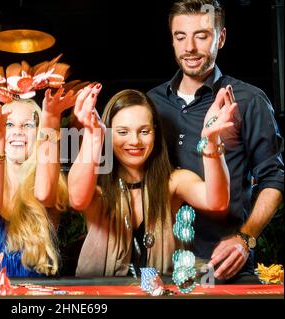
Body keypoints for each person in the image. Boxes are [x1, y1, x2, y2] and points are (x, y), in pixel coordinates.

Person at [147, 0, 284, 280]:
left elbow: (274, 178)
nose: (190, 48)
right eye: (180, 36)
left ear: (220, 38)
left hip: (222, 266)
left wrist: (246, 238)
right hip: (158, 268)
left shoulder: (248, 101)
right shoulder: (151, 103)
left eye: (202, 35)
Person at [68, 84, 236, 276]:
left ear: (155, 133)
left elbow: (217, 202)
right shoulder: (96, 186)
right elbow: (78, 199)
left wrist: (211, 140)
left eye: (144, 131)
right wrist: (94, 135)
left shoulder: (173, 182)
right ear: (108, 133)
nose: (135, 141)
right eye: (123, 132)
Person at [0, 88, 77, 277]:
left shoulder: (53, 186)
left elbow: (45, 193)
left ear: (39, 134)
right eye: (8, 124)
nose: (17, 131)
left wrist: (51, 118)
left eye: (28, 125)